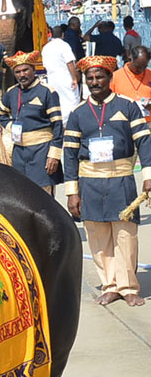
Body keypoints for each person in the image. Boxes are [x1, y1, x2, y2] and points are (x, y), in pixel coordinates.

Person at [64, 55, 151, 307]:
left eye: (99, 76)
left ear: (110, 79)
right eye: (89, 78)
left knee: (126, 235)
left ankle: (128, 287)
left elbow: (144, 142)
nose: (94, 81)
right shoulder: (78, 113)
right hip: (89, 183)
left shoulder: (127, 107)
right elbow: (69, 153)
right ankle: (110, 285)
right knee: (98, 236)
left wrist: (148, 177)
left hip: (121, 180)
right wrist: (72, 192)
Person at [0, 52, 64, 195]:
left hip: (42, 152)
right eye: (17, 72)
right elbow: (0, 113)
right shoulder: (12, 92)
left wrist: (54, 155)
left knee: (43, 196)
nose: (22, 75)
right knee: (21, 194)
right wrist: (10, 127)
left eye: (25, 70)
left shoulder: (47, 92)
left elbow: (57, 125)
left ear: (33, 69)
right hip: (19, 152)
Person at [42, 25, 80, 115]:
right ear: (63, 34)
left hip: (52, 78)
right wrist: (74, 78)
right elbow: (69, 63)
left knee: (57, 100)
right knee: (71, 99)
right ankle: (70, 122)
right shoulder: (64, 46)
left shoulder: (46, 47)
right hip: (65, 76)